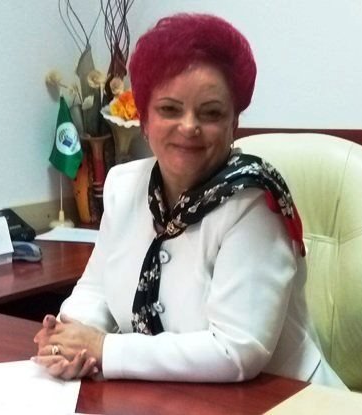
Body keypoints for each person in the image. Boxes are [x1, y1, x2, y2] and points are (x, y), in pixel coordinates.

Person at [33, 13, 345, 387]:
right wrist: (68, 341)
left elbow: (235, 350)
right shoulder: (123, 185)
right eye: (169, 109)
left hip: (283, 397)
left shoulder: (254, 199)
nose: (189, 126)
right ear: (144, 120)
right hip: (171, 396)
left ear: (233, 124)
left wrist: (103, 348)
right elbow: (96, 288)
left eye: (211, 113)